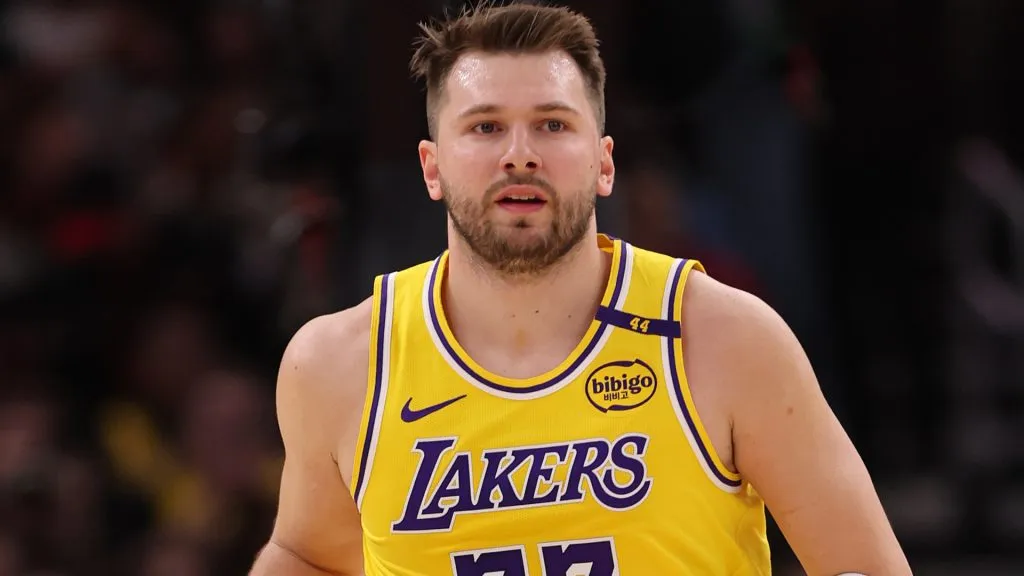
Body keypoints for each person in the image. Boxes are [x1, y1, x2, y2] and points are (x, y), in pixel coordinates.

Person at [249, 3, 912, 575]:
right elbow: (306, 554)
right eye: (485, 126)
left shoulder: (724, 338)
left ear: (603, 163)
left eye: (553, 124)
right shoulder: (340, 364)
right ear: (432, 166)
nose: (519, 154)